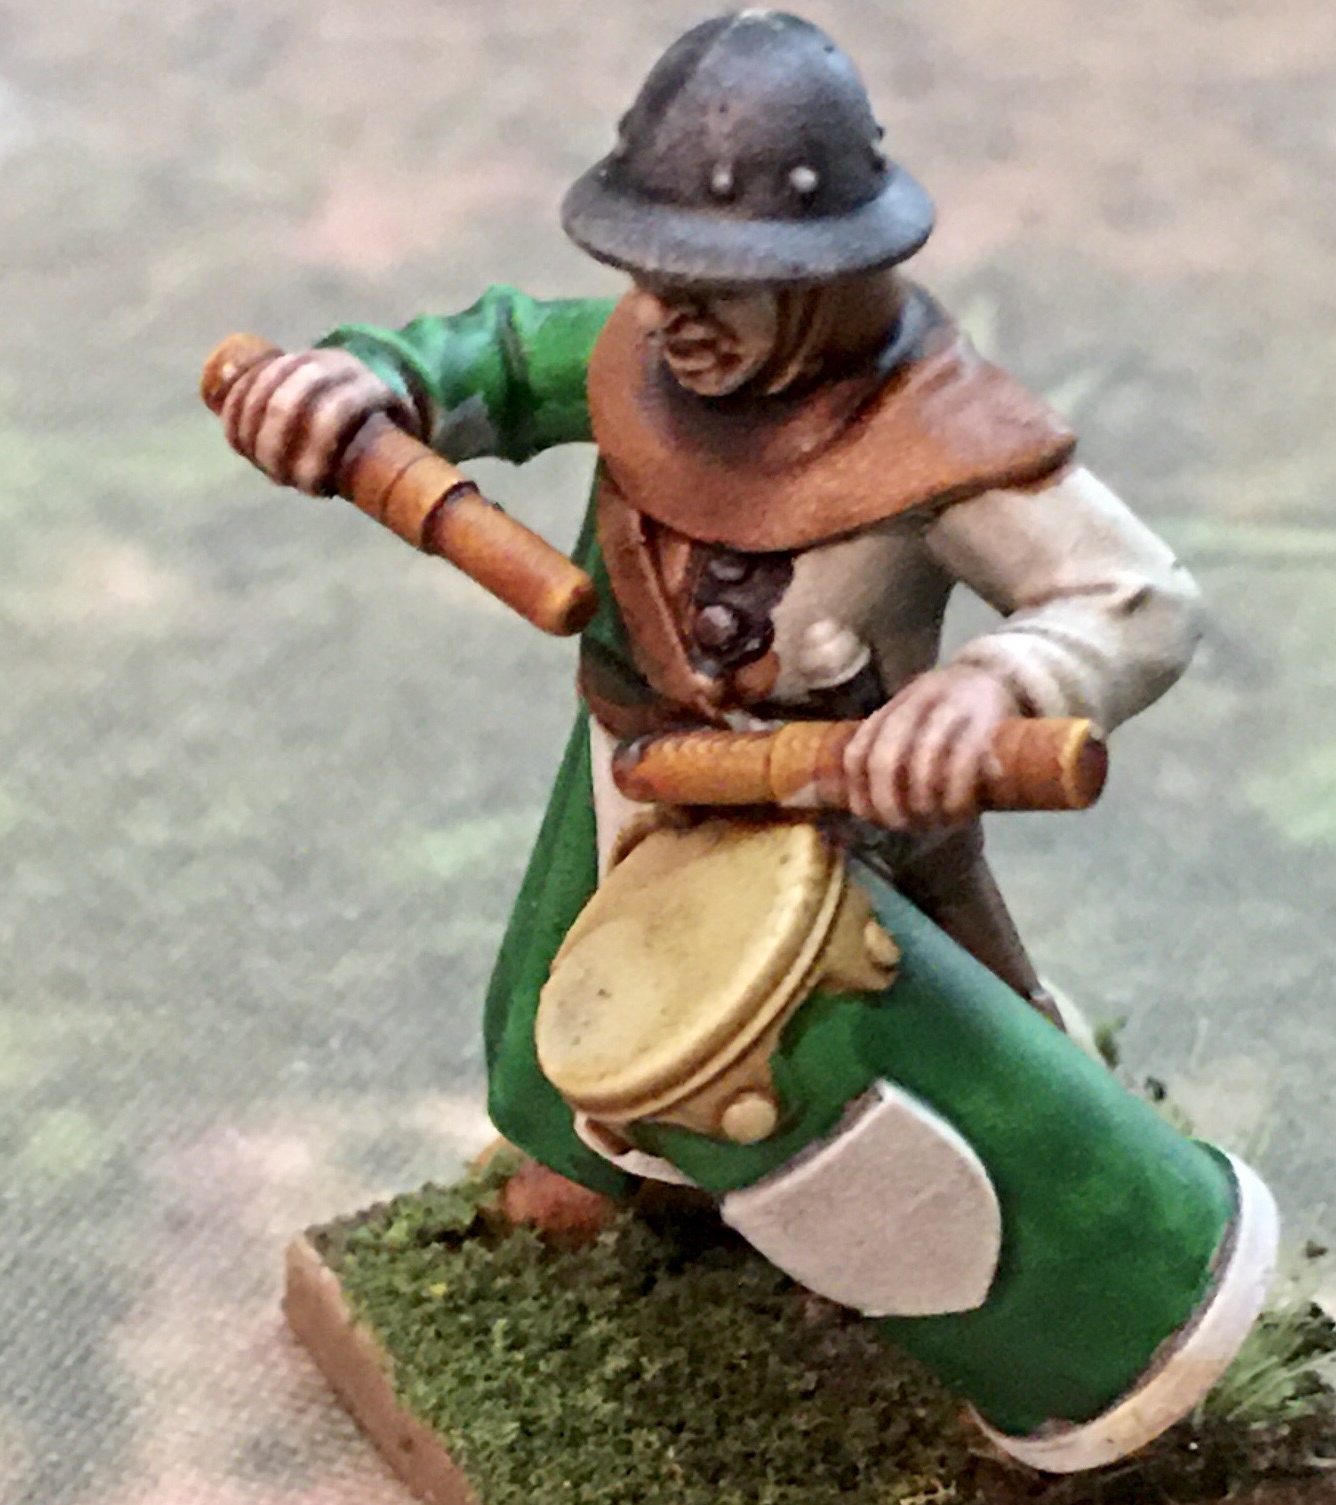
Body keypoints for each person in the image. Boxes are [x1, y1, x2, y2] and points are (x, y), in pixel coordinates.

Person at [219, 11, 1201, 1204]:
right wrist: (369, 379)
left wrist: (993, 686)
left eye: (719, 287)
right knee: (561, 992)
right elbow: (503, 357)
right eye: (651, 274)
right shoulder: (639, 356)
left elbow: (1133, 595)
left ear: (830, 276)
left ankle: (999, 1228)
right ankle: (598, 1176)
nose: (664, 316)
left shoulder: (942, 436)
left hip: (841, 806)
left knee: (911, 1057)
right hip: (633, 766)